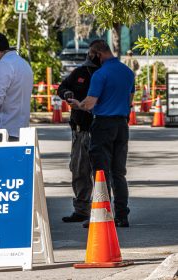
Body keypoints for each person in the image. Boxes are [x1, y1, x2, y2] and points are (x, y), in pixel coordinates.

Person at [68, 40, 135, 228]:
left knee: (101, 172)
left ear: (98, 54)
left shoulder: (100, 74)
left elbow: (89, 104)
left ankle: (101, 214)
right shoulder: (127, 72)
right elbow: (130, 99)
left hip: (103, 125)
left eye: (91, 54)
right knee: (119, 172)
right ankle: (122, 215)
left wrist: (77, 104)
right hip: (122, 124)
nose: (90, 58)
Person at [57, 53, 100, 224]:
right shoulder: (80, 73)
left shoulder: (105, 73)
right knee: (79, 171)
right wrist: (66, 93)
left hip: (97, 129)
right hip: (80, 130)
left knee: (101, 173)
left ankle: (102, 211)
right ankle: (82, 209)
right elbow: (62, 88)